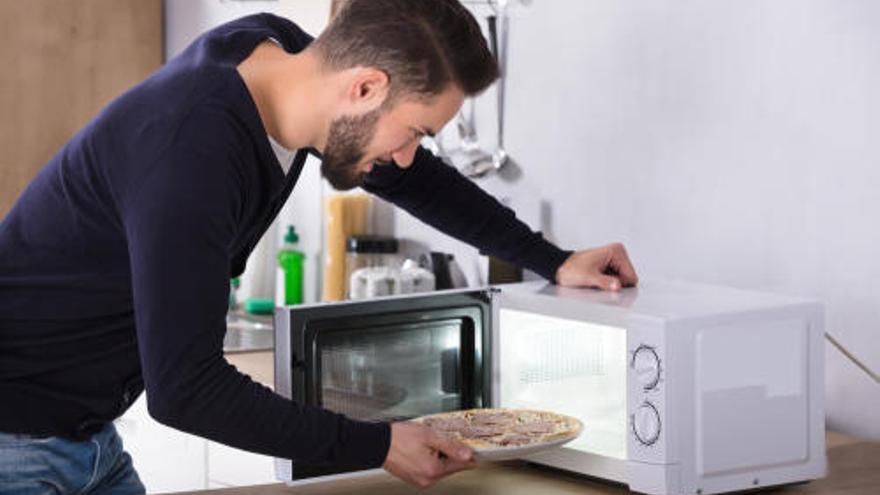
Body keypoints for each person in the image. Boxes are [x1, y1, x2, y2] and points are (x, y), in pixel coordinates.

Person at [0, 0, 638, 492]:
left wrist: (551, 258)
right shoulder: (192, 151)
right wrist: (379, 444)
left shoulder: (279, 60)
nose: (409, 155)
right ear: (364, 87)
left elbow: (414, 178)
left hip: (82, 435)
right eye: (415, 130)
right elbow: (186, 390)